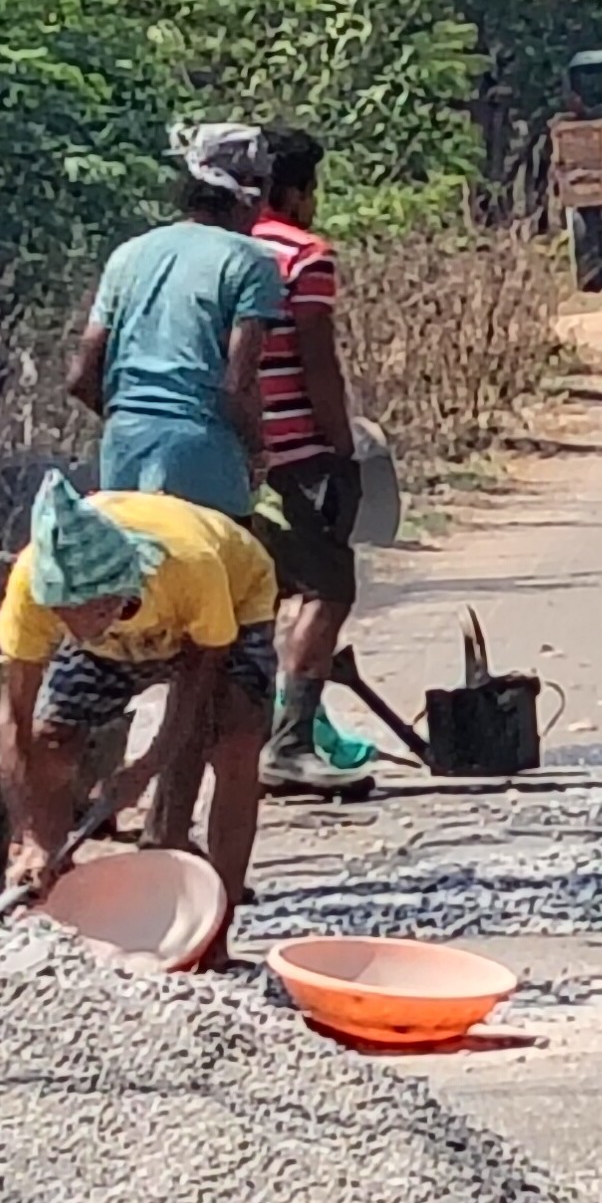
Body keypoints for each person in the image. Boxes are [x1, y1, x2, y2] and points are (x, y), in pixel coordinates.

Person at [0, 473, 279, 963]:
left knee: (234, 743)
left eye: (81, 610)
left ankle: (215, 931)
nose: (68, 623)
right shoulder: (32, 590)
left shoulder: (190, 567)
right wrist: (30, 835)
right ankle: (51, 897)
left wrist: (144, 770)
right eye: (60, 611)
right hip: (120, 637)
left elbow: (196, 682)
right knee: (51, 736)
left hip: (231, 603)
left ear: (114, 593)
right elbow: (14, 718)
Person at [68, 124, 286, 522]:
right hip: (204, 458)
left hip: (123, 453)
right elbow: (238, 385)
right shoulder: (253, 262)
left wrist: (135, 419)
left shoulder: (128, 255)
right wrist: (257, 452)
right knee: (230, 578)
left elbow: (81, 377)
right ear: (254, 192)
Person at [246, 127, 371, 795]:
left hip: (230, 453)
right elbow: (317, 363)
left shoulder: (224, 249)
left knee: (259, 599)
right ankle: (289, 743)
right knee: (326, 590)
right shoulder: (304, 257)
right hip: (297, 454)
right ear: (295, 192)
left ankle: (263, 736)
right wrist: (341, 449)